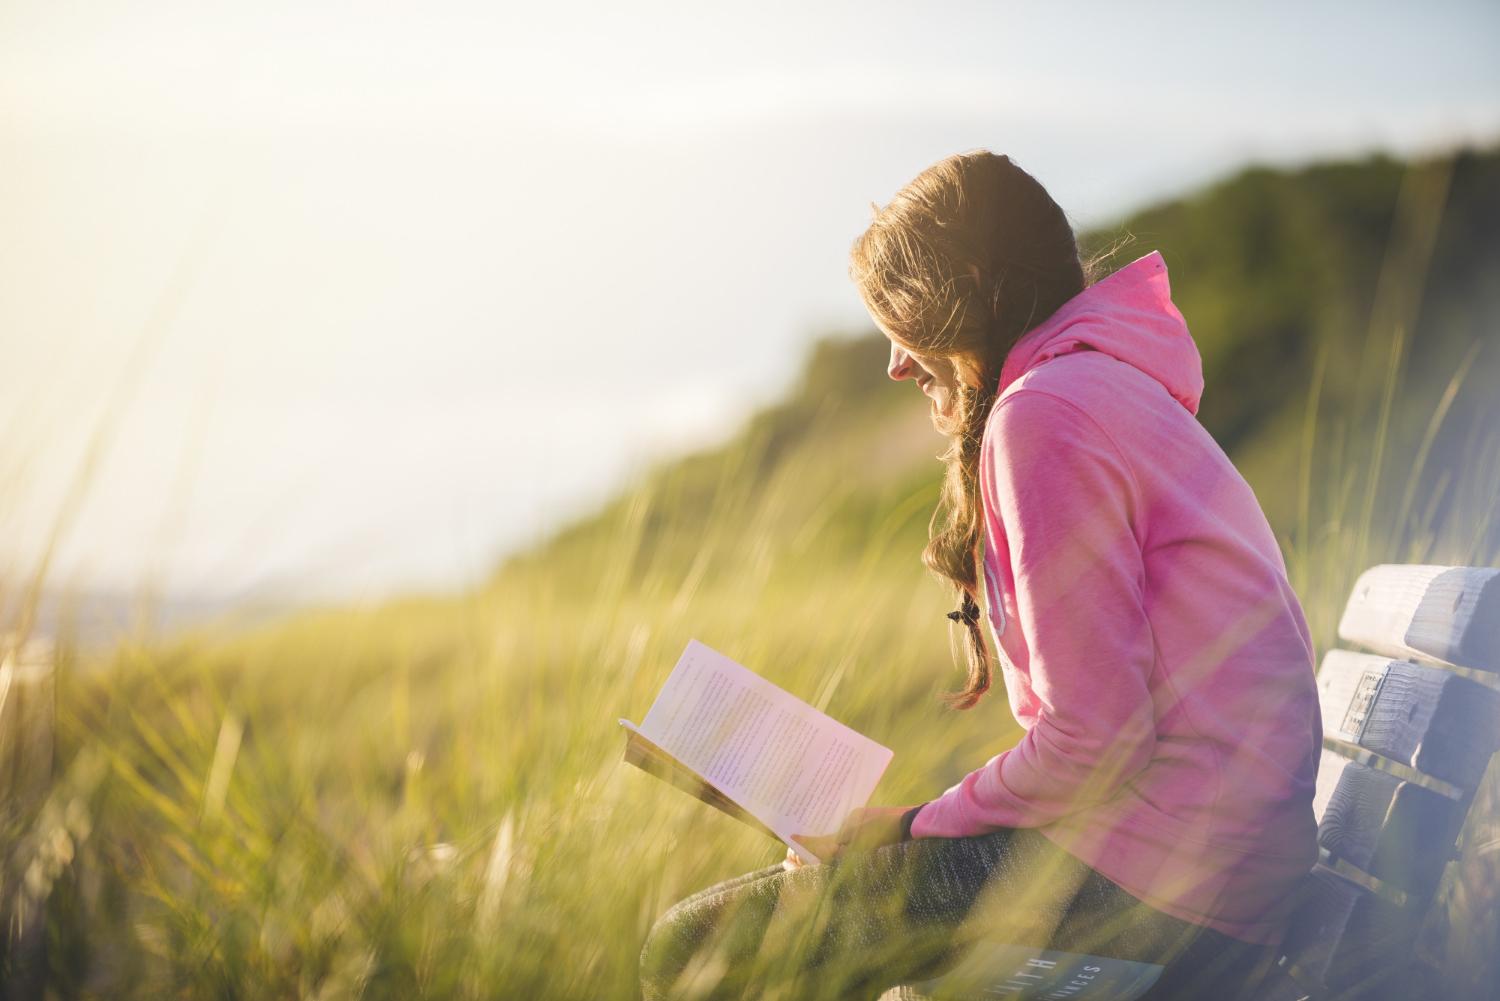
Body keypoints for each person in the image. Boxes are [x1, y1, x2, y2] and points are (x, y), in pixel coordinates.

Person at [638, 151, 1321, 1001]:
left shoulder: (1043, 413)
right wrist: (915, 831)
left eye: (899, 316)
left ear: (964, 287)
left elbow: (1096, 742)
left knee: (694, 946)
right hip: (1211, 865)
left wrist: (911, 827)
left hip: (1171, 887)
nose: (895, 362)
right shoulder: (1098, 385)